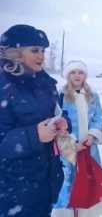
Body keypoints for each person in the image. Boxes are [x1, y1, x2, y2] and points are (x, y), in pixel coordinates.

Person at [0, 24, 67, 216]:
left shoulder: (46, 83)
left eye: (43, 50)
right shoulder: (3, 85)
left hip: (44, 183)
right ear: (16, 52)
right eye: (35, 50)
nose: (41, 56)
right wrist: (34, 135)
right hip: (12, 190)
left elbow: (57, 112)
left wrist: (63, 123)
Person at [52, 60, 102, 216]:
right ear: (68, 75)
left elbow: (99, 117)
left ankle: (88, 213)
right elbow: (56, 119)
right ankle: (65, 213)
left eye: (80, 72)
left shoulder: (92, 96)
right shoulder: (60, 95)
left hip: (88, 147)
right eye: (73, 72)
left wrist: (92, 135)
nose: (77, 75)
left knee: (88, 183)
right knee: (67, 183)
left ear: (85, 76)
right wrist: (71, 143)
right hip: (68, 148)